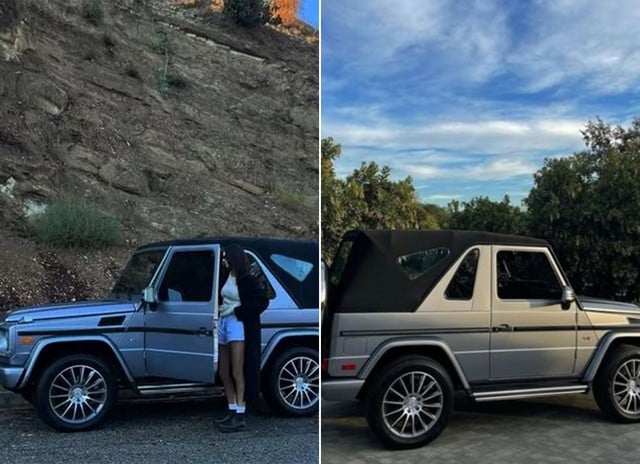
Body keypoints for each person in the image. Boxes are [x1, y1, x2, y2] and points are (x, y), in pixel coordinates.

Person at [215, 244, 268, 432]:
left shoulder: (247, 280)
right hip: (223, 321)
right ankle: (231, 408)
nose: (224, 259)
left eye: (227, 256)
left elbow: (262, 301)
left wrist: (239, 311)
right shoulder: (225, 276)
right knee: (223, 370)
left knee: (238, 370)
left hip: (237, 323)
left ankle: (240, 412)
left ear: (234, 257)